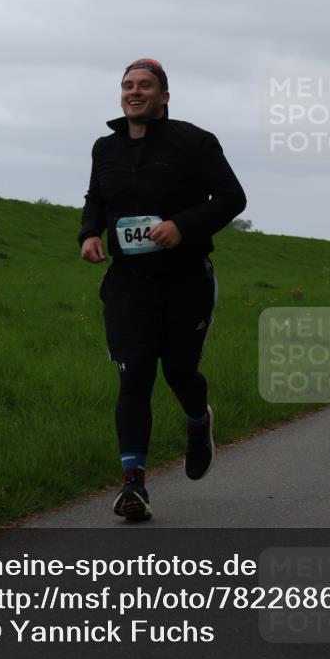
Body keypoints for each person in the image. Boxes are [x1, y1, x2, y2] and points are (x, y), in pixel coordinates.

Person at [78, 58, 247, 521]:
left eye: (146, 86)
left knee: (179, 373)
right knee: (133, 377)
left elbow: (233, 197)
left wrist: (182, 226)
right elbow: (96, 198)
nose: (135, 92)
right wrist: (89, 233)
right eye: (128, 85)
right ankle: (134, 484)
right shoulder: (105, 148)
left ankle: (198, 421)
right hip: (128, 286)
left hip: (185, 282)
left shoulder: (194, 142)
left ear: (164, 96)